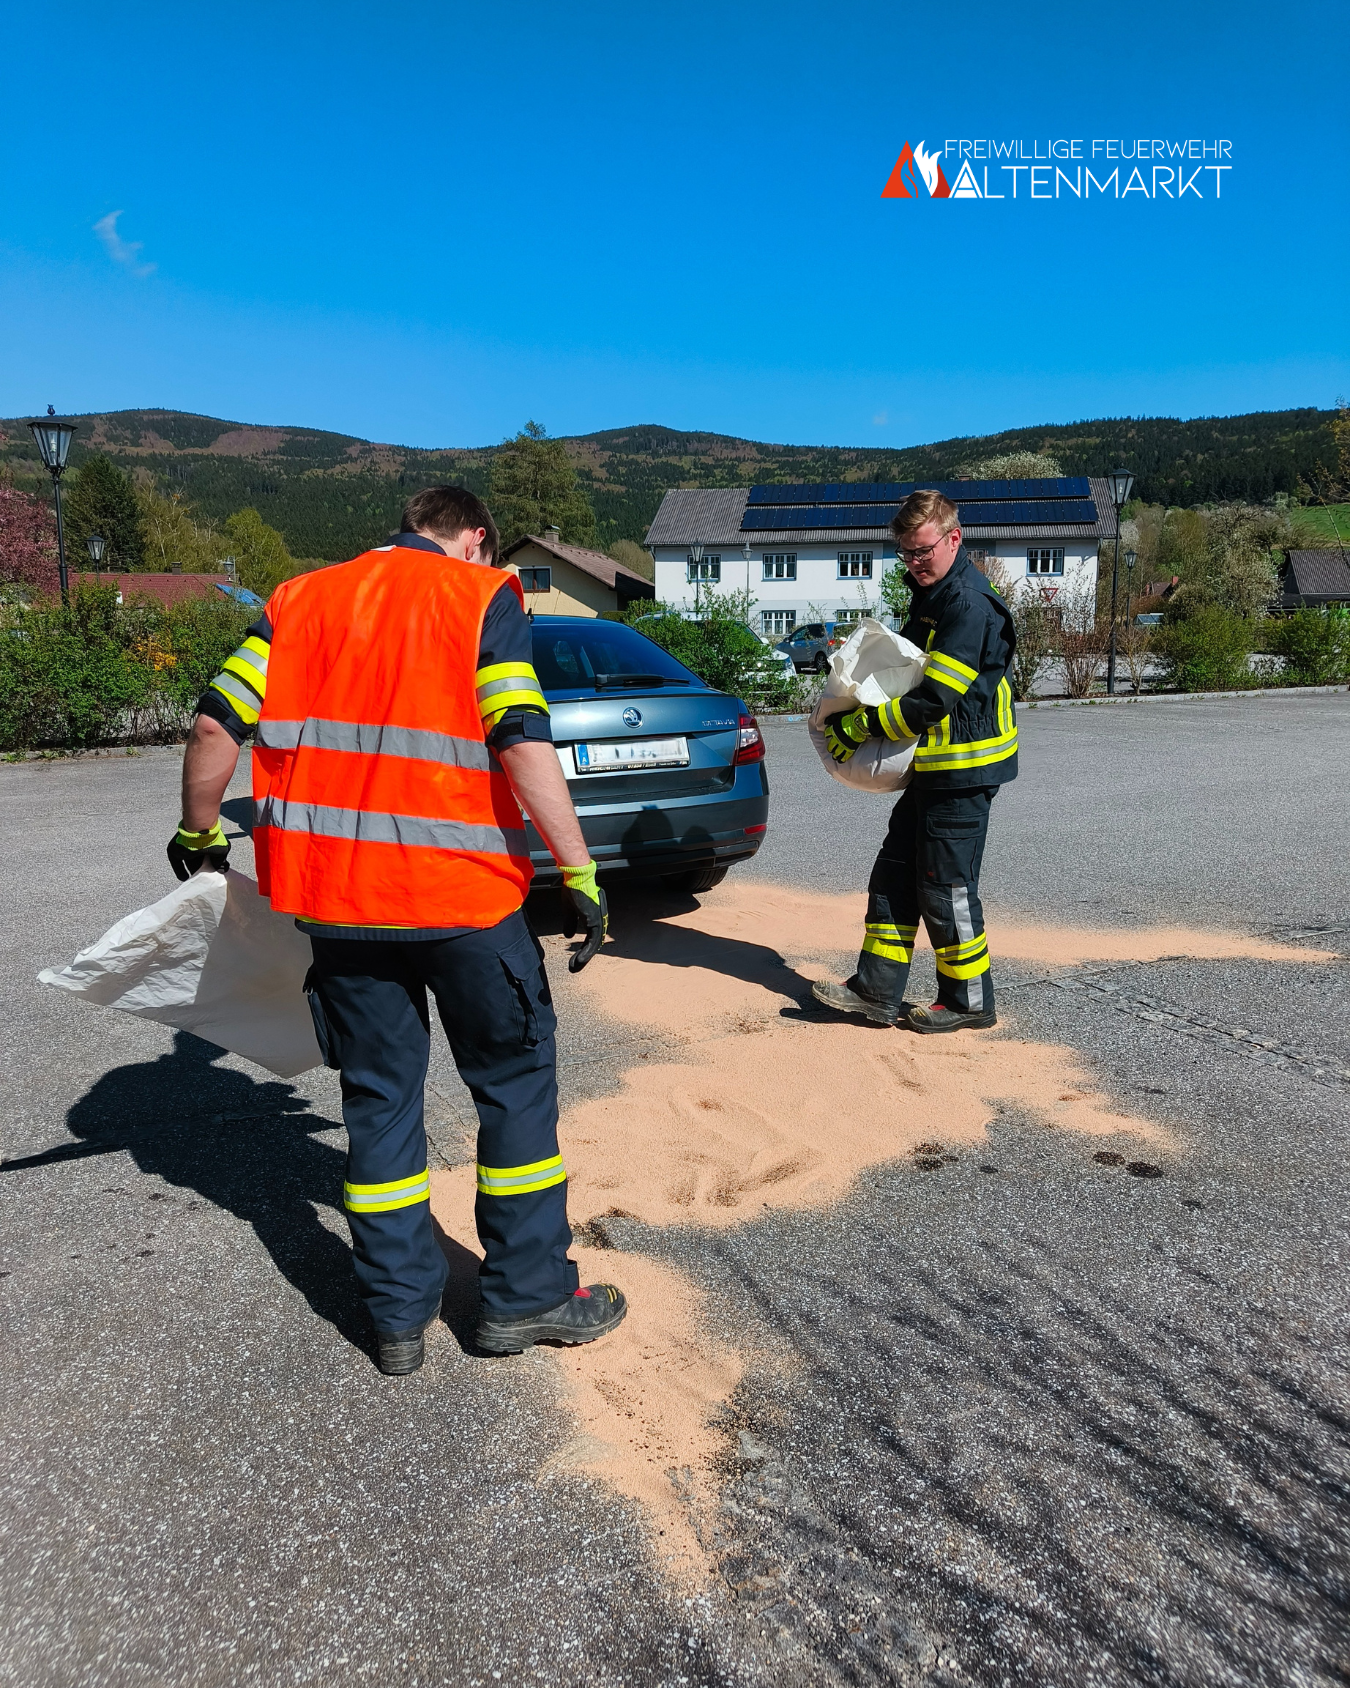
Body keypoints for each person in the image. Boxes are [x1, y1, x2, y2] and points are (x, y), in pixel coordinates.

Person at [168, 487, 627, 1374]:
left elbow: (214, 724)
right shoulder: (481, 595)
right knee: (513, 1090)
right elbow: (520, 737)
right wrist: (578, 872)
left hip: (341, 909)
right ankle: (526, 1300)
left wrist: (197, 831)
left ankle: (396, 1320)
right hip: (463, 903)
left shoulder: (299, 600)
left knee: (380, 1102)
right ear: (475, 540)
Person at [812, 489, 1017, 1033]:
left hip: (965, 771)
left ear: (954, 538)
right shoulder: (935, 594)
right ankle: (875, 992)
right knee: (895, 875)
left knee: (945, 887)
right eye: (905, 553)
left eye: (922, 551)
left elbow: (932, 700)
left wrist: (858, 727)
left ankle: (969, 1001)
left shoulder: (968, 605)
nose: (914, 563)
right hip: (931, 768)